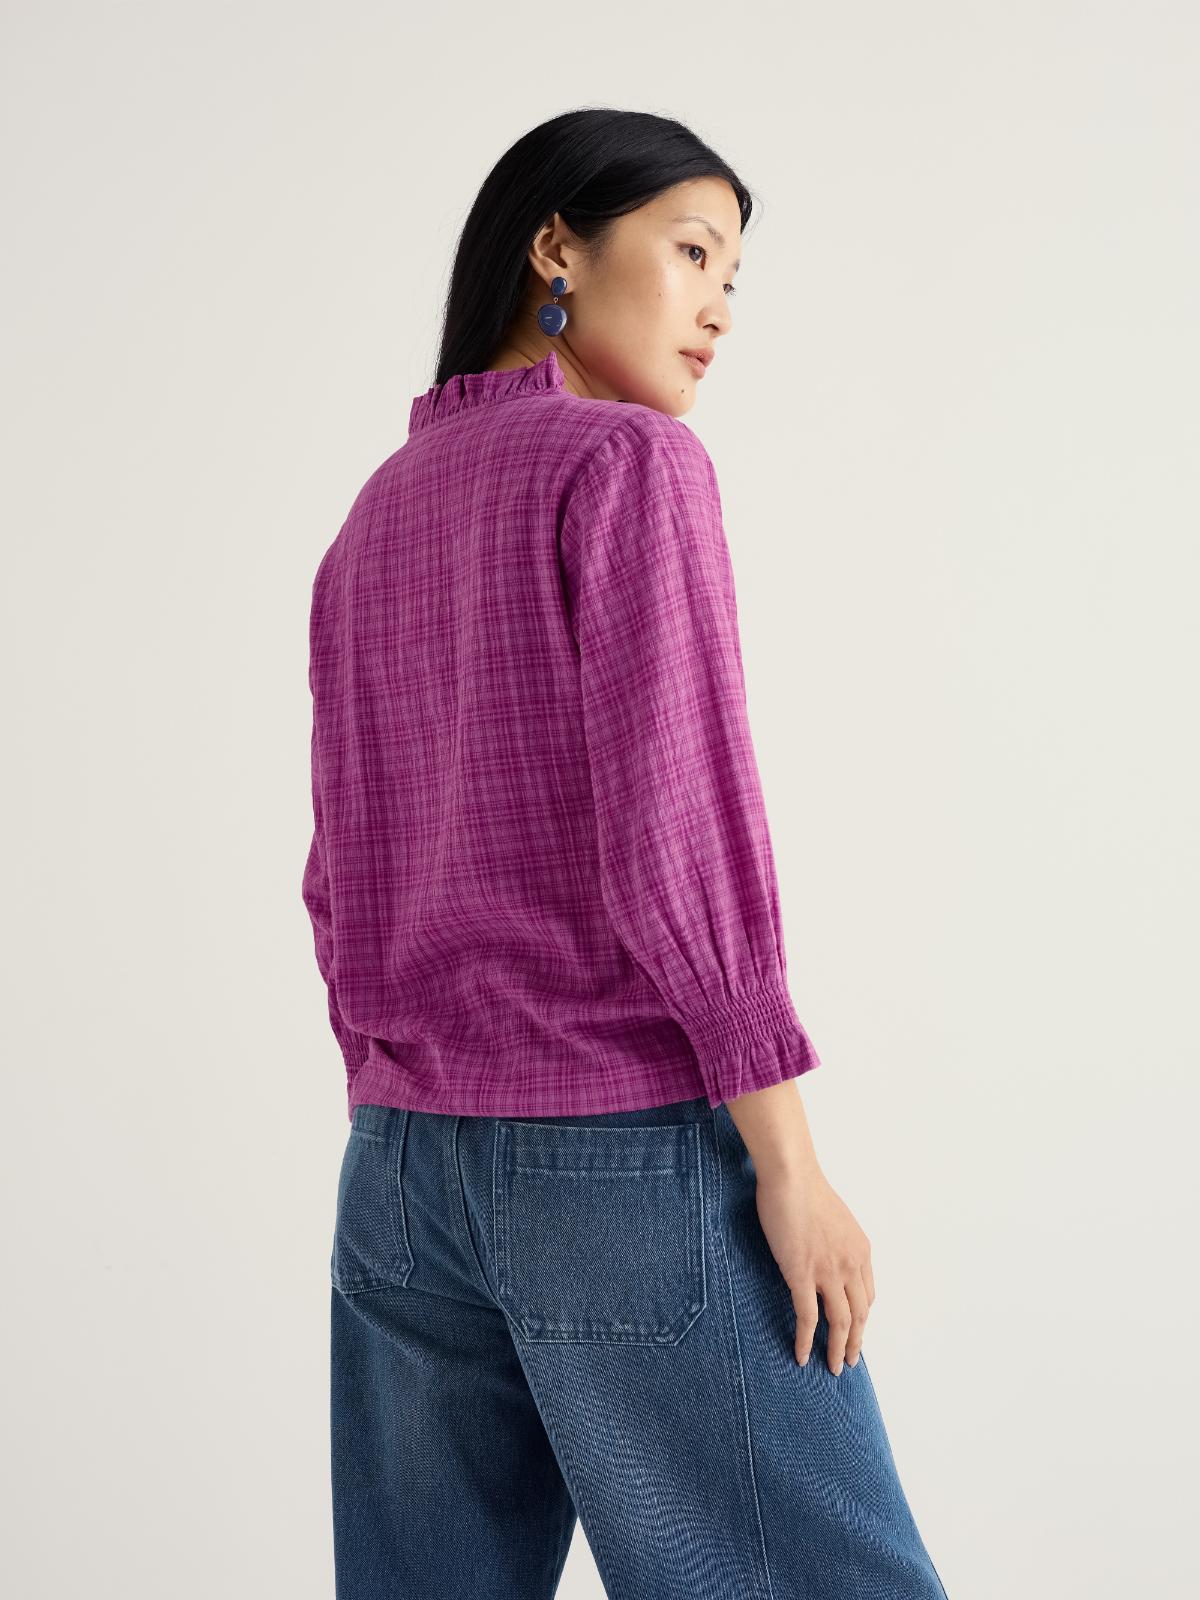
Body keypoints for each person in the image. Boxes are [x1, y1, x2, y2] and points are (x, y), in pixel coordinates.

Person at [303, 107, 950, 1600]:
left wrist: (397, 1093)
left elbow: (339, 873)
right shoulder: (629, 462)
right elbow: (680, 830)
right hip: (618, 1153)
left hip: (397, 1173)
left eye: (734, 274)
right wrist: (788, 1165)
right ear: (557, 247)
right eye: (692, 250)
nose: (720, 305)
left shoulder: (374, 513)